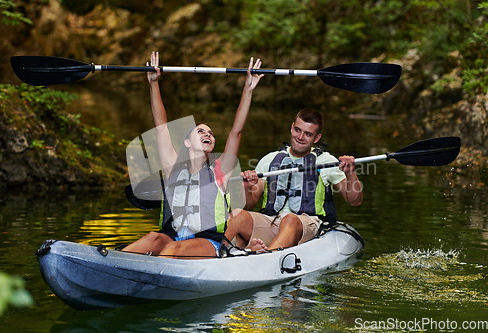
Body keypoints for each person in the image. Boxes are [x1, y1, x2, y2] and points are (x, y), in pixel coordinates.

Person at [122, 51, 264, 258]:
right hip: (172, 238)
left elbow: (236, 132)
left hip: (206, 243)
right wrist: (154, 84)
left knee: (171, 250)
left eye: (211, 133)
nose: (208, 135)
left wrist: (248, 89)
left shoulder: (220, 169)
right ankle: (111, 265)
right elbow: (161, 126)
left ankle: (152, 276)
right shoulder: (173, 167)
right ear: (187, 142)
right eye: (201, 131)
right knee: (153, 238)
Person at [224, 108, 363, 252]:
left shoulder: (326, 161)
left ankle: (267, 258)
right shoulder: (269, 160)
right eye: (298, 130)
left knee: (289, 219)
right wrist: (246, 187)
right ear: (292, 128)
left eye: (308, 134)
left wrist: (350, 172)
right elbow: (250, 204)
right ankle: (212, 252)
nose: (301, 137)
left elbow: (355, 200)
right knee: (237, 214)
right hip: (270, 222)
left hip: (305, 223)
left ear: (316, 138)